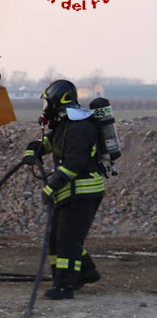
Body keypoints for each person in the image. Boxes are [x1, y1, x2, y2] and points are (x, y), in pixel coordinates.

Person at [23, 79, 104, 300]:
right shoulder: (66, 124)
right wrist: (33, 150)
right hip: (71, 191)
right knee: (58, 238)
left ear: (59, 101)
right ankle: (86, 273)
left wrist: (51, 187)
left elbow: (74, 163)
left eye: (47, 103)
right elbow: (51, 143)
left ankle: (65, 286)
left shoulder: (81, 127)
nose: (45, 108)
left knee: (67, 240)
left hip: (84, 192)